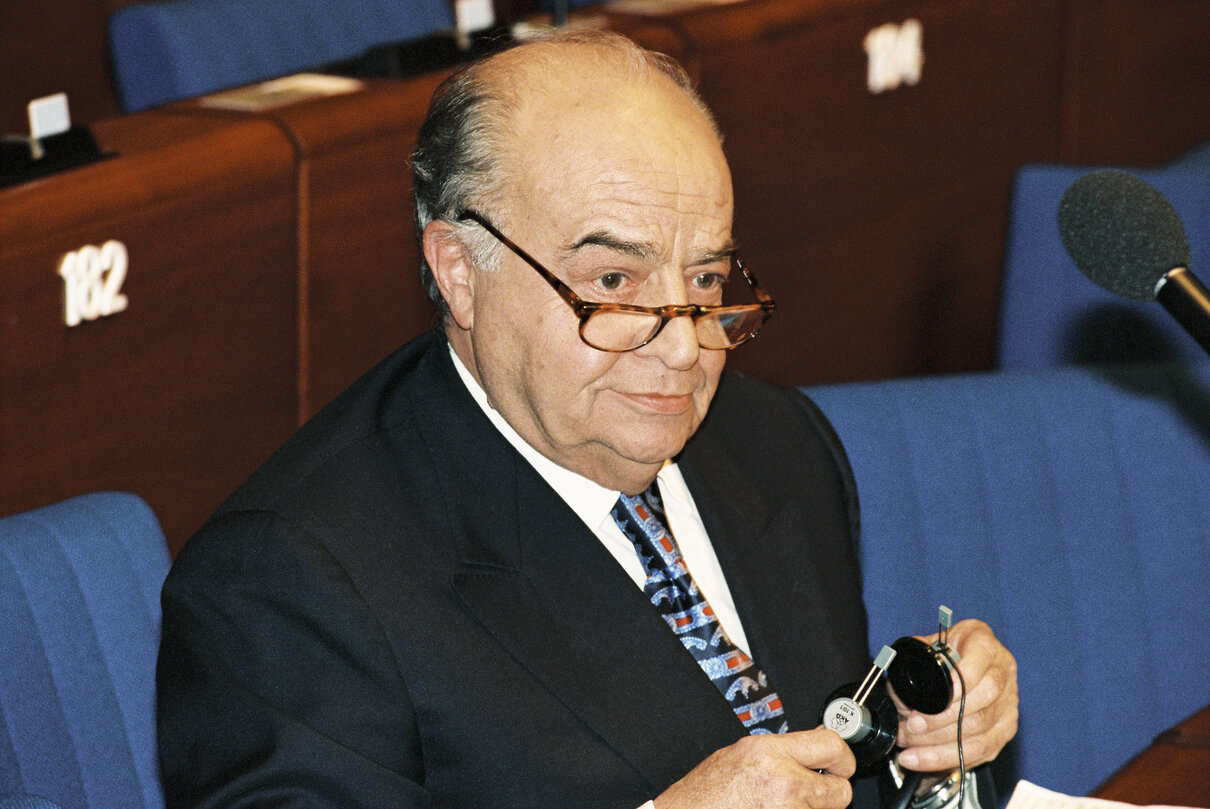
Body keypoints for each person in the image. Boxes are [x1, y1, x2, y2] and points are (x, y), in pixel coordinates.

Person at [156, 29, 1017, 809]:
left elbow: (822, 764)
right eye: (613, 285)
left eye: (709, 281)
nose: (684, 351)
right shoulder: (288, 585)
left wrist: (922, 743)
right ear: (460, 271)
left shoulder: (776, 442)